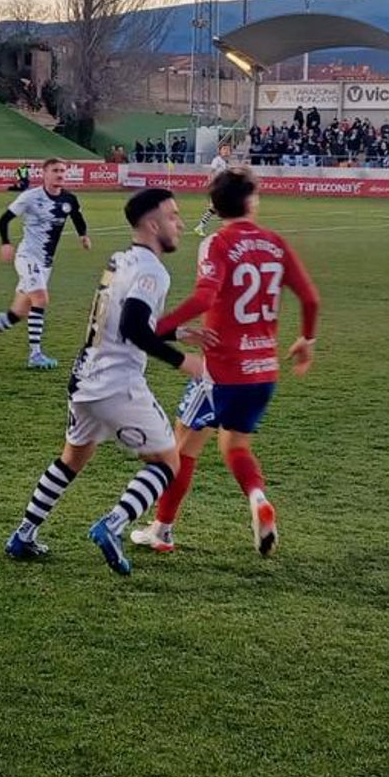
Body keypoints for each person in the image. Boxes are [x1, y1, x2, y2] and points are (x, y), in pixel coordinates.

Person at [3, 188, 208, 575]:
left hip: (84, 377)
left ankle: (24, 534)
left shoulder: (120, 258)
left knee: (72, 459)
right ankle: (112, 524)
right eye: (173, 215)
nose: (180, 223)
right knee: (168, 461)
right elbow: (132, 327)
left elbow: (121, 320)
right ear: (152, 224)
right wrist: (186, 363)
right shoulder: (152, 270)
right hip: (117, 384)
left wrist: (177, 333)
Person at [134, 167, 320, 557]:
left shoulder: (216, 244)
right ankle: (256, 496)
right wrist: (306, 339)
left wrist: (158, 327)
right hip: (264, 369)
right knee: (235, 443)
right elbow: (310, 298)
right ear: (252, 200)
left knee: (181, 447)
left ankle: (162, 531)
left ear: (215, 209)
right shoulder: (275, 243)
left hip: (221, 370)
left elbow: (204, 298)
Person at [0, 158, 92, 369]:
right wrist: (5, 243)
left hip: (46, 263)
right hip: (27, 257)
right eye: (55, 170)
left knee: (17, 313)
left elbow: (76, 215)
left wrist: (83, 235)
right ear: (44, 174)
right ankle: (35, 355)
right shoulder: (31, 197)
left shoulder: (69, 199)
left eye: (62, 171)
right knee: (40, 298)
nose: (60, 174)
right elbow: (4, 219)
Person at [193, 143, 232, 236]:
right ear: (220, 151)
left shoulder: (226, 162)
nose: (226, 151)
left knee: (217, 208)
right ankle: (201, 227)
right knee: (219, 208)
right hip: (217, 187)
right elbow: (211, 172)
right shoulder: (217, 160)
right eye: (224, 149)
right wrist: (212, 184)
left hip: (222, 187)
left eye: (228, 149)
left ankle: (201, 227)